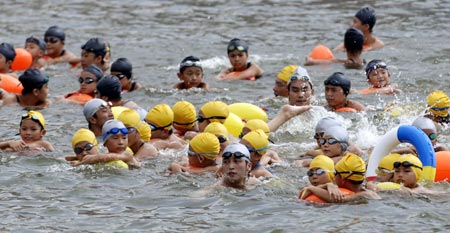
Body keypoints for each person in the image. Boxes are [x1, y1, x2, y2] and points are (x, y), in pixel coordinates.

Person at [303, 153, 380, 203]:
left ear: (342, 178)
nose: (333, 176)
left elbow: (338, 199)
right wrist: (326, 185)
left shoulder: (365, 194)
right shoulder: (363, 189)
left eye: (335, 173)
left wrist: (311, 188)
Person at [65, 128, 139, 169]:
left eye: (88, 147)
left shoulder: (122, 154)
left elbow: (101, 157)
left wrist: (79, 163)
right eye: (78, 150)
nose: (84, 153)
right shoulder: (75, 161)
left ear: (96, 146)